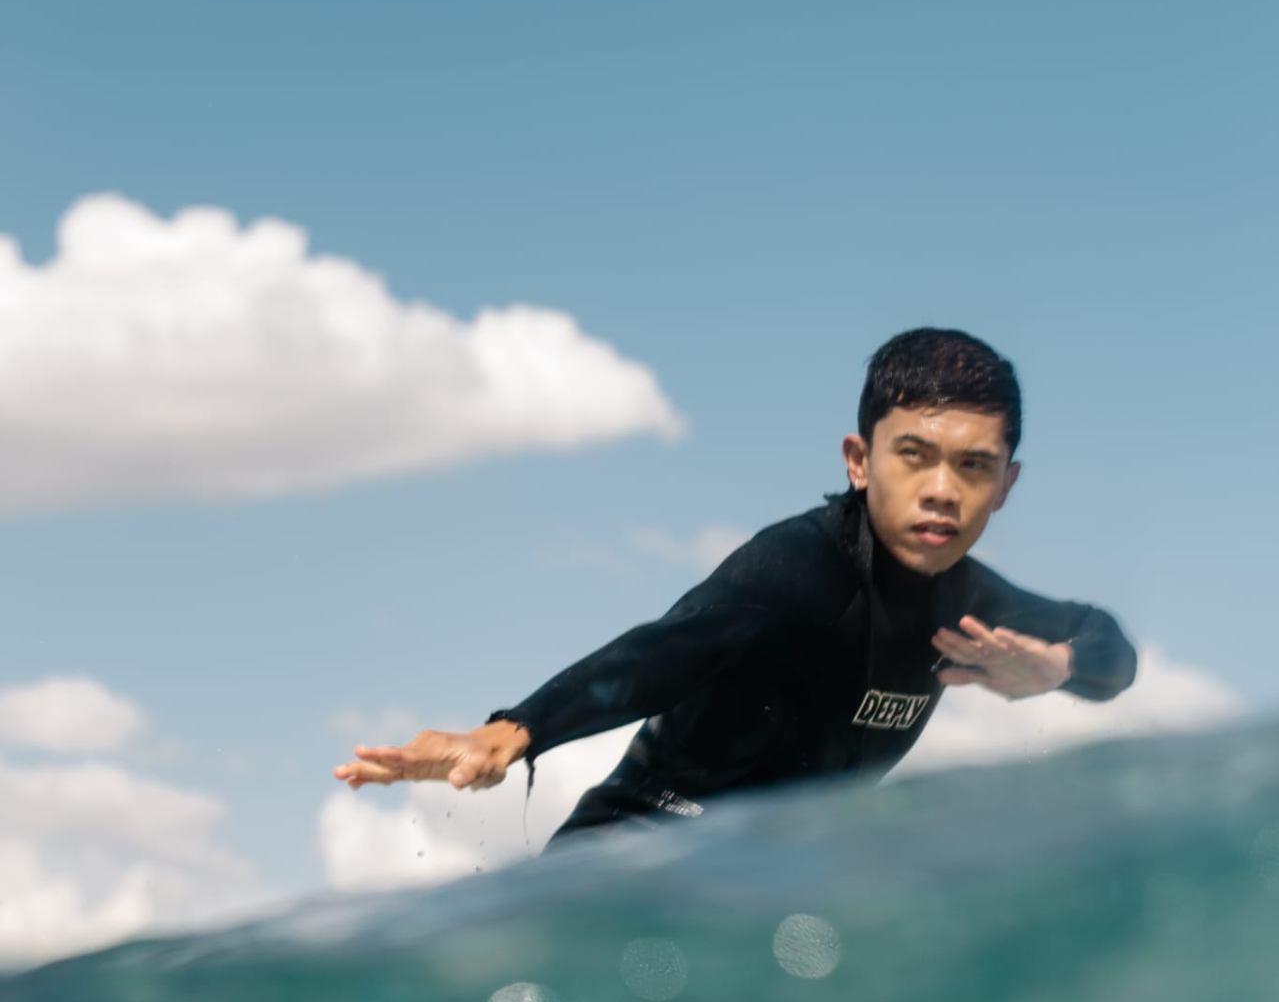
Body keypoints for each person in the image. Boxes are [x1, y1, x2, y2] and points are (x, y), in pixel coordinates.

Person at [333, 328, 1137, 840]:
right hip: (637, 854)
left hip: (778, 882)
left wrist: (1057, 670)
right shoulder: (796, 570)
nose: (940, 490)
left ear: (1006, 483)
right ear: (859, 461)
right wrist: (512, 732)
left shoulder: (973, 607)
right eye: (913, 454)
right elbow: (665, 650)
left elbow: (1108, 644)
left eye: (973, 466)